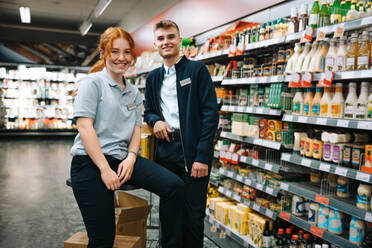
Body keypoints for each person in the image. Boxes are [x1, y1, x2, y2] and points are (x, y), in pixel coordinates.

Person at [70, 27, 184, 248]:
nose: (121, 58)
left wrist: (131, 158)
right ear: (103, 53)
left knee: (174, 187)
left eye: (127, 52)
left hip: (123, 159)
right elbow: (85, 128)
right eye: (114, 52)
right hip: (90, 163)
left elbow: (135, 130)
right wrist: (104, 169)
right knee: (103, 238)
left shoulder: (133, 92)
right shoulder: (92, 83)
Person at [144, 20, 219, 248]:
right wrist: (155, 121)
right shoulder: (152, 77)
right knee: (169, 213)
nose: (166, 42)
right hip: (166, 151)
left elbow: (210, 115)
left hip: (193, 153)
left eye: (170, 37)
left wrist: (202, 157)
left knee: (193, 216)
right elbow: (148, 111)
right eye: (161, 38)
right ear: (155, 44)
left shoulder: (197, 71)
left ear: (179, 40)